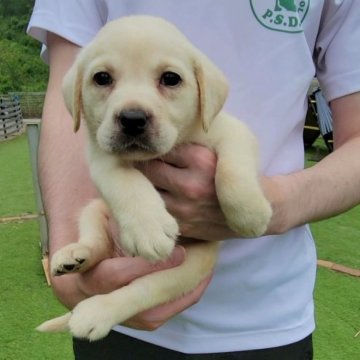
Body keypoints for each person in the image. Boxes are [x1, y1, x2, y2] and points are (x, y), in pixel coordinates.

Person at [27, 1, 360, 359]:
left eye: (169, 79)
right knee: (94, 214)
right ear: (77, 95)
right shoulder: (89, 101)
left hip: (265, 316)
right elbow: (91, 145)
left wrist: (259, 200)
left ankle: (111, 304)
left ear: (204, 91)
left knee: (189, 263)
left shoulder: (209, 118)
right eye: (103, 79)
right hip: (117, 311)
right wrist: (72, 264)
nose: (132, 109)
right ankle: (92, 261)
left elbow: (236, 138)